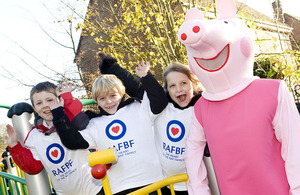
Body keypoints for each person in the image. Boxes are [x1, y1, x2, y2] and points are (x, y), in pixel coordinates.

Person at [51, 63, 168, 195]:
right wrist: (58, 114)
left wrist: (146, 77)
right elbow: (72, 141)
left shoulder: (138, 107)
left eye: (113, 95)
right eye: (102, 98)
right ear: (96, 100)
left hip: (153, 181)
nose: (108, 102)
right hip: (120, 189)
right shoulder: (94, 123)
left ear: (122, 93)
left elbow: (160, 101)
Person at [98, 54, 203, 195]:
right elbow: (136, 87)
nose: (179, 89)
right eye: (172, 85)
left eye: (184, 83)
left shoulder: (202, 107)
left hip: (197, 183)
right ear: (166, 89)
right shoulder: (162, 106)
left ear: (194, 83)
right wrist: (111, 67)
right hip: (167, 184)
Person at [5, 81, 103, 195]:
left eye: (50, 100)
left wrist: (66, 99)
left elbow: (78, 118)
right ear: (35, 108)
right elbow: (33, 167)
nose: (45, 105)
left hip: (95, 189)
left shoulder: (69, 120)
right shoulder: (34, 136)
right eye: (39, 103)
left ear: (59, 100)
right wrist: (14, 146)